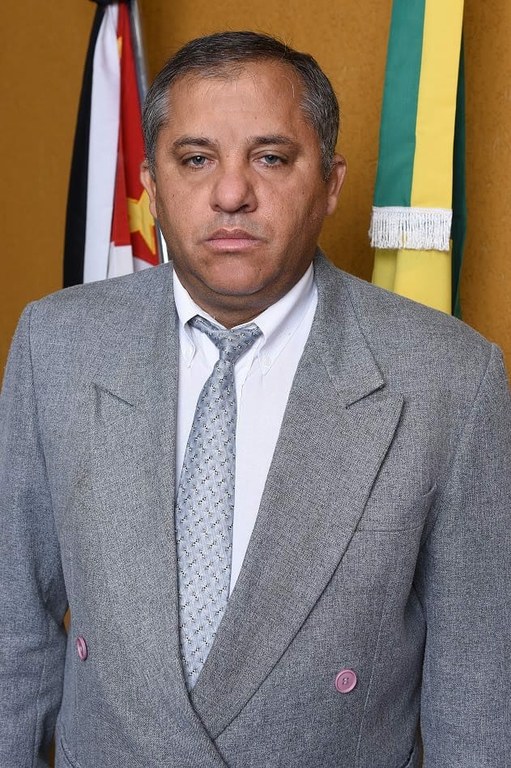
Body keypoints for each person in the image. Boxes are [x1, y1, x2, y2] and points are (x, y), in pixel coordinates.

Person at [0, 30, 510, 768]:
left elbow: (478, 691)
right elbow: (12, 631)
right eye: (196, 159)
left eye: (270, 157)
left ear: (330, 183)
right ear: (150, 185)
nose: (231, 193)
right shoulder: (56, 343)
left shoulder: (449, 377)